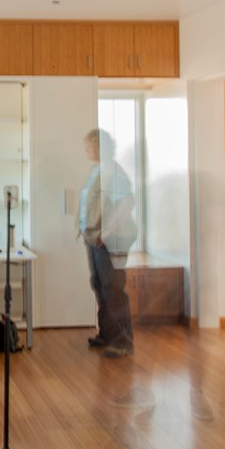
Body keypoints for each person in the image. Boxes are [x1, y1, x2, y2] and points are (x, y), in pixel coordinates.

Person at [77, 128, 136, 358]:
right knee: (100, 285)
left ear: (100, 147)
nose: (86, 150)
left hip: (110, 240)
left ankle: (123, 341)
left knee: (113, 288)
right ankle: (107, 334)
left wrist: (108, 231)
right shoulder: (97, 170)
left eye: (89, 146)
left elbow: (126, 203)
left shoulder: (113, 171)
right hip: (94, 238)